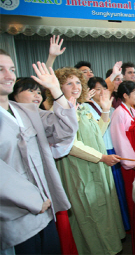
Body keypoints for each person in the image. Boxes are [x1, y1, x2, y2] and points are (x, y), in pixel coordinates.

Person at [0, 50, 78, 255]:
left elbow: (65, 130)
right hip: (14, 215)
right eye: (0, 70)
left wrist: (55, 90)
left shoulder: (25, 111)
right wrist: (34, 200)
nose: (9, 76)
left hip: (45, 208)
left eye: (12, 69)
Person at [47, 67, 125, 254]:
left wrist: (105, 110)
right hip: (78, 169)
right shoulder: (56, 112)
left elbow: (97, 133)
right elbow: (71, 146)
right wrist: (102, 157)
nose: (75, 86)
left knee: (102, 209)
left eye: (77, 82)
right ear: (57, 87)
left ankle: (109, 247)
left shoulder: (82, 106)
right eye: (68, 83)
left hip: (96, 165)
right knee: (88, 212)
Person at [85, 77, 131, 231]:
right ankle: (113, 229)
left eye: (104, 88)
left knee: (118, 191)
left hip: (113, 150)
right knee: (107, 194)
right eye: (97, 89)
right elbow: (96, 134)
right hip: (100, 153)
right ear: (89, 92)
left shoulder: (110, 107)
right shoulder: (86, 109)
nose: (102, 92)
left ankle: (123, 224)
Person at [110, 81, 135, 224]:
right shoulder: (118, 113)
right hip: (131, 160)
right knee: (132, 191)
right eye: (134, 93)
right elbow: (119, 140)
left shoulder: (132, 110)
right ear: (125, 95)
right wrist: (130, 162)